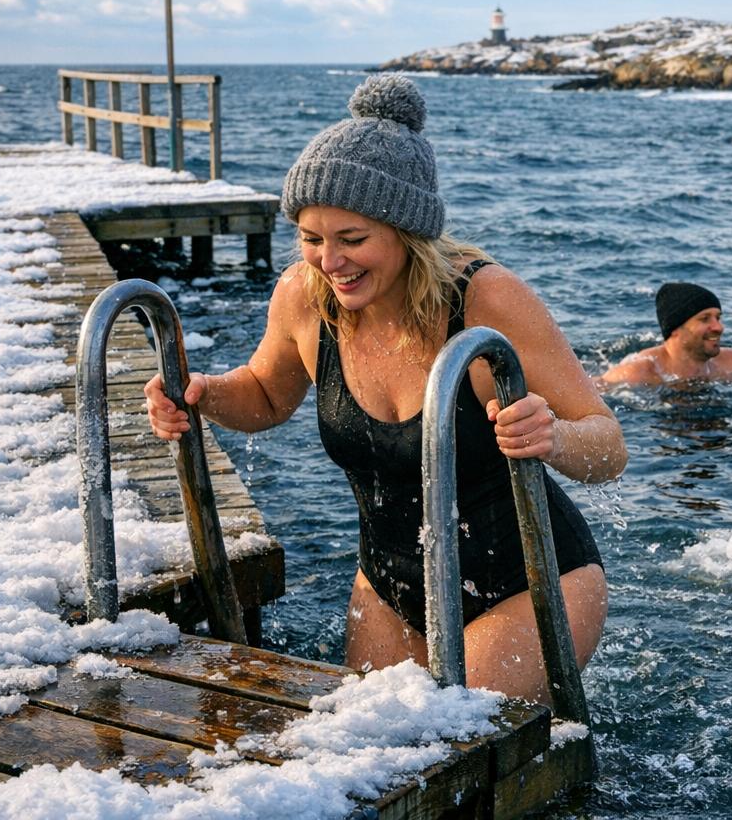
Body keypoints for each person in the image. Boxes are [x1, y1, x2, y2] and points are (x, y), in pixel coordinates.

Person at [144, 75, 627, 703]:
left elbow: (608, 446)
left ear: (407, 231)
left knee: (449, 747)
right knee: (369, 757)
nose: (329, 262)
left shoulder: (483, 299)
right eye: (312, 238)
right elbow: (264, 394)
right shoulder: (305, 295)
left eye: (352, 240)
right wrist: (201, 394)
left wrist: (552, 437)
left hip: (530, 582)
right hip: (388, 586)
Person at [598, 281, 732, 386]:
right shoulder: (636, 373)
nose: (718, 327)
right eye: (705, 319)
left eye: (718, 318)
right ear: (675, 329)